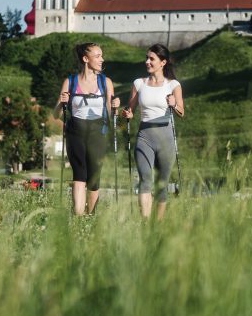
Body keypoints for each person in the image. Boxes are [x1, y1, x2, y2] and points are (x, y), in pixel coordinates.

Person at [122, 44, 185, 219]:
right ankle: (145, 224)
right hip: (145, 136)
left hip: (165, 137)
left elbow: (181, 112)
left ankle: (157, 226)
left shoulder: (173, 85)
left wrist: (174, 104)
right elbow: (130, 110)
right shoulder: (139, 83)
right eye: (147, 58)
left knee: (161, 185)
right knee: (145, 180)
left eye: (152, 59)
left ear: (163, 62)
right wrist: (126, 113)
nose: (147, 62)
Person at [58, 43, 119, 216]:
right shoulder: (70, 82)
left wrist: (115, 107)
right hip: (75, 131)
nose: (102, 59)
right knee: (79, 173)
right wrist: (62, 103)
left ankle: (90, 217)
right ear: (86, 59)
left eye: (102, 56)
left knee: (94, 176)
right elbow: (57, 114)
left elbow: (111, 114)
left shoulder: (105, 82)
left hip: (98, 132)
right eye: (98, 56)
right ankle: (78, 218)